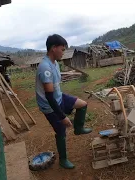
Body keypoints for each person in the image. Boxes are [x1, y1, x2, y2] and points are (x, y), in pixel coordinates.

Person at [35, 34, 92, 169]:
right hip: (49, 106)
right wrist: (62, 117)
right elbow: (49, 97)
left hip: (59, 97)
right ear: (53, 48)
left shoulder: (55, 64)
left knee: (82, 104)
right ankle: (63, 160)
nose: (63, 52)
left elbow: (55, 91)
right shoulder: (45, 68)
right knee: (61, 131)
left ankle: (78, 128)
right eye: (62, 49)